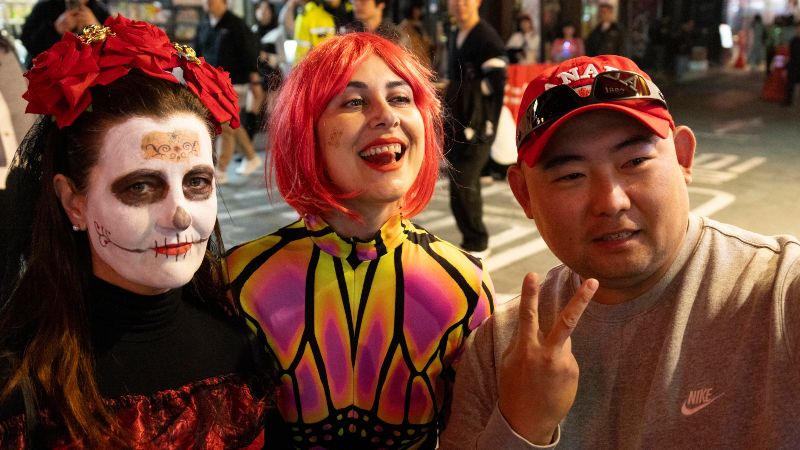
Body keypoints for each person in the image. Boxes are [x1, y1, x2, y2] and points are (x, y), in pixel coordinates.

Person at [439, 54, 800, 449]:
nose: (610, 201)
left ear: (682, 158)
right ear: (523, 193)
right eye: (571, 175)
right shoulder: (501, 348)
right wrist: (519, 428)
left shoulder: (779, 298)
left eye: (636, 161)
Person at [0, 16, 272, 447]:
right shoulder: (17, 384)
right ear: (74, 201)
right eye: (141, 186)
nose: (180, 215)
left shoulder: (247, 348)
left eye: (197, 182)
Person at [225, 32, 495, 449]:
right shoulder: (241, 279)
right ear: (304, 130)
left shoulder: (463, 284)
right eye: (353, 102)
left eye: (401, 98)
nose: (386, 116)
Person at [444, 0, 507, 258]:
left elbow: (496, 83)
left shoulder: (487, 38)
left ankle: (478, 241)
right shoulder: (453, 35)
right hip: (457, 122)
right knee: (459, 182)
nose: (460, 5)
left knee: (465, 180)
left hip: (479, 124)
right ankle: (472, 239)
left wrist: (461, 91)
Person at [194, 0, 263, 184]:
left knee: (224, 124)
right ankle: (251, 157)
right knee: (232, 122)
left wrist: (254, 80)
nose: (208, 2)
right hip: (210, 83)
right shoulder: (204, 23)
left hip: (234, 81)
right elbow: (196, 51)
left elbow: (249, 52)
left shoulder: (236, 24)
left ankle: (221, 169)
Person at [20, 0, 109, 68]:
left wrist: (98, 29)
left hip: (89, 77)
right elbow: (27, 41)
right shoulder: (45, 7)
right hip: (48, 76)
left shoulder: (99, 11)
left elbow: (115, 49)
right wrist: (55, 29)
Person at [398, 0, 434, 68]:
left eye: (419, 9)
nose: (419, 12)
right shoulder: (404, 26)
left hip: (423, 63)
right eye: (417, 9)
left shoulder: (419, 25)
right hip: (412, 64)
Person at [784, 22, 800, 106]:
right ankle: (788, 101)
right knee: (790, 84)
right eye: (797, 29)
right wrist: (785, 68)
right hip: (793, 65)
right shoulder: (793, 41)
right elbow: (789, 55)